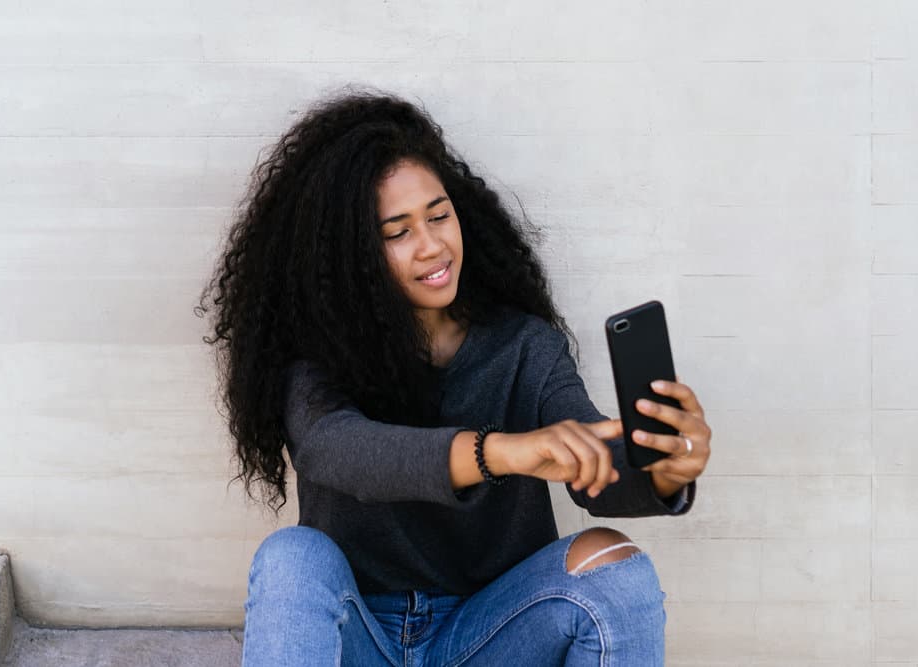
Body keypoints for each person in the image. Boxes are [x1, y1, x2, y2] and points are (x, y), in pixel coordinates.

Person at [196, 88, 712, 666]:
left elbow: (590, 452)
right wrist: (502, 453)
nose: (432, 245)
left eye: (439, 216)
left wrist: (663, 470)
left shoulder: (524, 346)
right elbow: (339, 450)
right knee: (292, 556)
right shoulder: (315, 359)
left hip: (489, 633)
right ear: (349, 254)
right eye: (397, 232)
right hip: (362, 636)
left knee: (615, 567)